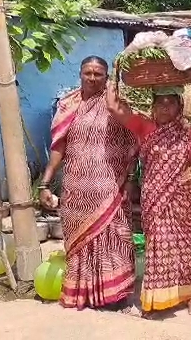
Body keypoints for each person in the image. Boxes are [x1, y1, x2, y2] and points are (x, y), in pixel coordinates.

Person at [38, 56, 138, 311]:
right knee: (80, 243)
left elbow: (134, 143)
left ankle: (115, 297)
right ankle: (84, 295)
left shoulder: (117, 105)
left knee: (115, 240)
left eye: (99, 74)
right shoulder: (68, 105)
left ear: (106, 77)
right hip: (76, 190)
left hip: (110, 188)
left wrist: (130, 179)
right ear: (80, 73)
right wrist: (45, 184)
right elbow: (58, 147)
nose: (93, 78)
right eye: (88, 73)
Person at [106, 83, 191, 317]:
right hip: (155, 199)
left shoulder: (189, 133)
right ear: (153, 107)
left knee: (185, 250)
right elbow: (113, 107)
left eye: (170, 103)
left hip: (183, 200)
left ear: (179, 106)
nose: (165, 108)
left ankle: (188, 295)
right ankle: (154, 301)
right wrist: (115, 75)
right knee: (158, 249)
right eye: (160, 103)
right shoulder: (145, 127)